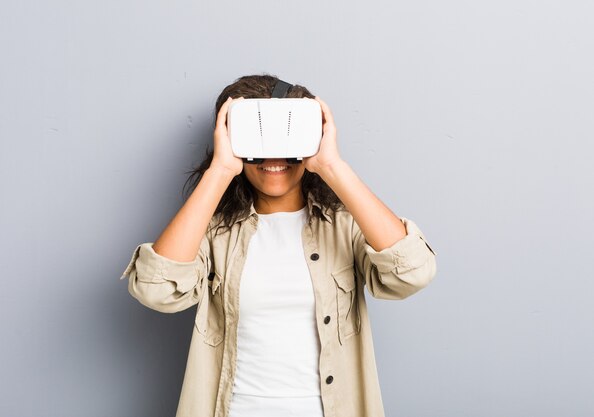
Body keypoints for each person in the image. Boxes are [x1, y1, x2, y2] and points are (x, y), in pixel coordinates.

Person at [119, 74, 437, 417]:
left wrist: (332, 166)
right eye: (257, 137)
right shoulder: (214, 233)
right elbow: (156, 290)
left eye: (286, 136)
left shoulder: (345, 226)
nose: (274, 155)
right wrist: (221, 169)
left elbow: (413, 272)